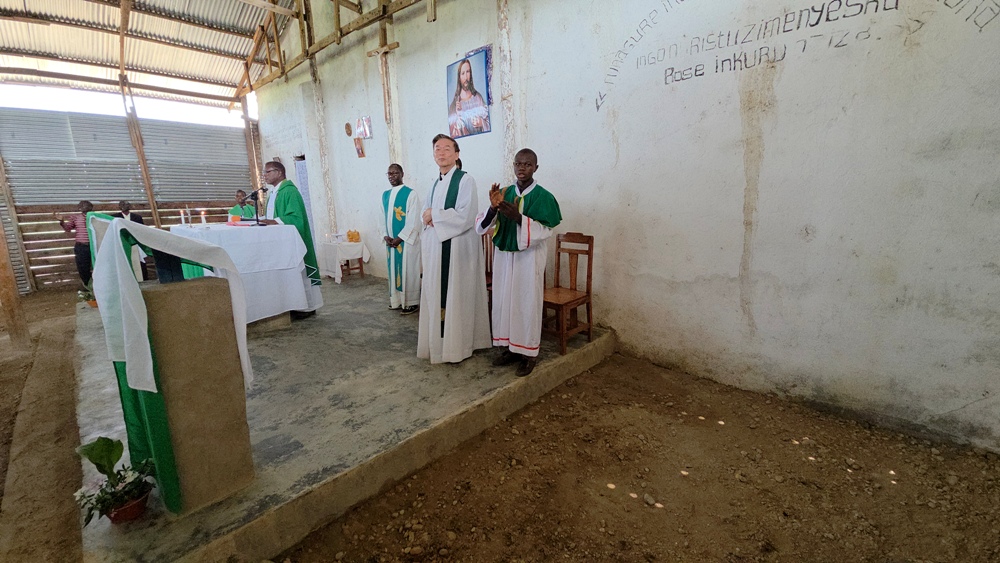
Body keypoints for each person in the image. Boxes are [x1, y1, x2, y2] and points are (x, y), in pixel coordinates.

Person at [475, 149, 561, 377]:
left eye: (527, 164)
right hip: (504, 257)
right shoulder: (504, 193)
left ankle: (529, 354)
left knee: (526, 303)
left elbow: (546, 230)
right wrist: (493, 208)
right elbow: (481, 226)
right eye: (518, 163)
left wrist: (518, 217)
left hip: (528, 258)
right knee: (505, 302)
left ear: (536, 168)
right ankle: (511, 348)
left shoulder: (544, 197)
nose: (522, 168)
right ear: (513, 166)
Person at [417, 134, 491, 363]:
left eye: (447, 148)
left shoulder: (465, 180)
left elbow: (466, 216)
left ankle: (458, 348)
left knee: (457, 297)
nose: (441, 153)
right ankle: (440, 347)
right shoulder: (434, 184)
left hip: (457, 252)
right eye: (437, 149)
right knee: (437, 295)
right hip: (436, 251)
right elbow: (424, 212)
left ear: (457, 154)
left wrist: (434, 215)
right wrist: (427, 216)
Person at [261, 161, 323, 318]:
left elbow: (296, 218)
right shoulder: (273, 193)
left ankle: (308, 307)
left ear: (279, 173)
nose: (264, 175)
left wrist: (274, 221)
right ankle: (294, 305)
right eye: (264, 172)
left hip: (293, 241)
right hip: (279, 241)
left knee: (300, 273)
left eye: (268, 172)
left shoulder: (290, 191)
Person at [382, 163, 421, 314]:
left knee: (408, 271)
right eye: (389, 173)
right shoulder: (385, 195)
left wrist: (400, 238)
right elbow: (381, 217)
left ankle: (411, 302)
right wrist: (385, 235)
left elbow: (414, 220)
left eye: (395, 173)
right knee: (394, 272)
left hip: (406, 243)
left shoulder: (411, 194)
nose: (392, 176)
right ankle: (396, 300)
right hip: (391, 243)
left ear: (402, 174)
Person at [448, 59, 490, 138]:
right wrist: (458, 115)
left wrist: (481, 122)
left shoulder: (478, 97)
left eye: (468, 72)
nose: (466, 77)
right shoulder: (454, 105)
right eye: (463, 73)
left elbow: (489, 122)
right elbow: (452, 134)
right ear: (459, 77)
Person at [56, 200, 94, 287]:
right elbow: (68, 228)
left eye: (86, 205)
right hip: (81, 246)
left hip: (95, 245)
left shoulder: (95, 217)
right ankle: (88, 286)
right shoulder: (75, 217)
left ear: (91, 207)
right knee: (83, 268)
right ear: (79, 208)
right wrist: (62, 221)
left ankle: (98, 286)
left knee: (98, 266)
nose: (84, 207)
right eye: (82, 205)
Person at [111, 200, 148, 280]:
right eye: (122, 205)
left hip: (136, 242)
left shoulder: (137, 217)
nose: (124, 206)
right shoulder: (115, 217)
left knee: (140, 261)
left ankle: (144, 278)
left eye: (126, 205)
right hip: (123, 242)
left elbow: (141, 230)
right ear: (119, 207)